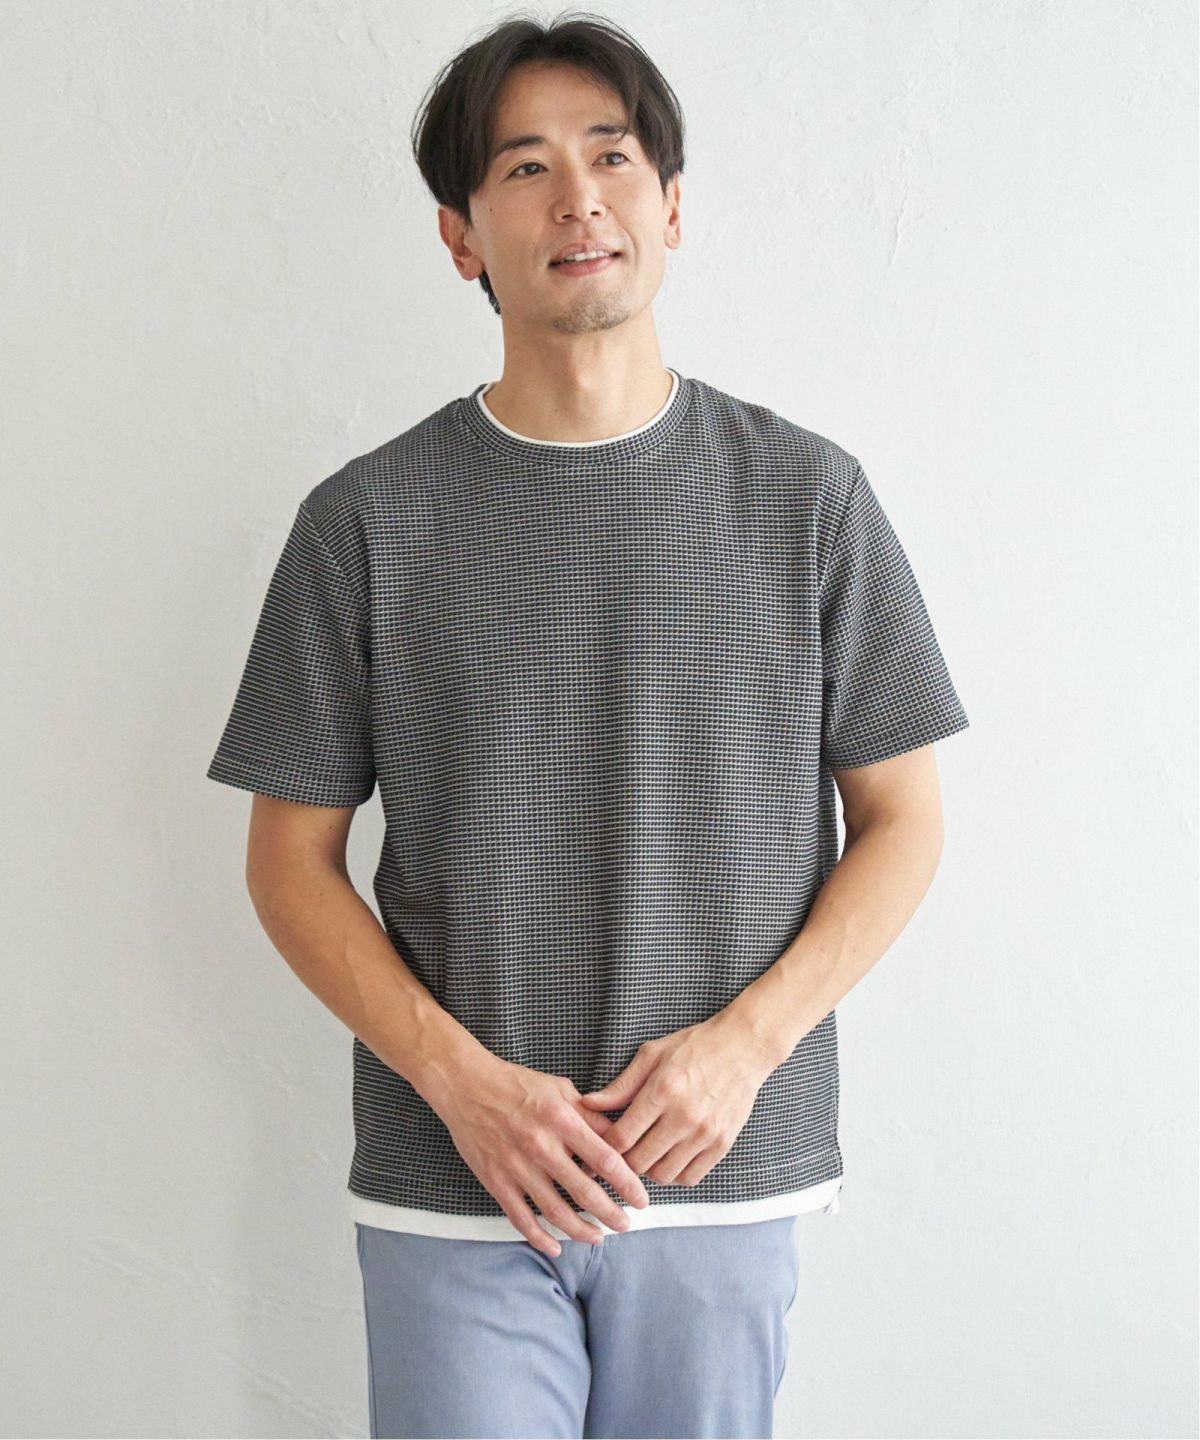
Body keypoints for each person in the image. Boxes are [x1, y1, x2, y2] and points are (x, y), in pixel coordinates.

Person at [206, 12, 970, 1439]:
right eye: (525, 167)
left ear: (671, 206)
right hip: (456, 1178)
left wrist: (745, 1047)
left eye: (612, 158)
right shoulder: (365, 520)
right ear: (460, 236)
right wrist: (461, 1085)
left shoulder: (809, 499)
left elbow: (905, 822)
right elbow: (287, 863)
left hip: (724, 1165)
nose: (578, 199)